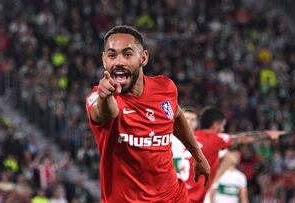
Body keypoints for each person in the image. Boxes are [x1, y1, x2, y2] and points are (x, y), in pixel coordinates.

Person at [85, 25, 210, 202]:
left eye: (127, 54)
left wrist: (198, 155)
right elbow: (106, 113)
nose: (119, 61)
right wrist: (105, 97)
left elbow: (176, 116)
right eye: (112, 55)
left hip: (173, 197)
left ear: (143, 58)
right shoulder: (97, 97)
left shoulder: (165, 88)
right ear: (104, 60)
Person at [172, 106, 284, 203]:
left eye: (193, 119)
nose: (190, 122)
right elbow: (241, 139)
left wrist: (214, 180)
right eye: (187, 119)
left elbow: (231, 157)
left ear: (198, 123)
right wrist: (268, 134)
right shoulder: (213, 140)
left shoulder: (174, 138)